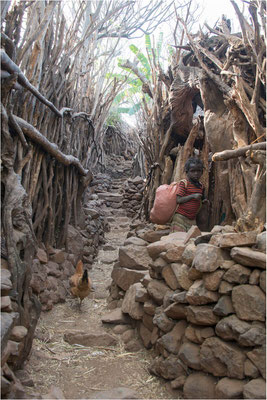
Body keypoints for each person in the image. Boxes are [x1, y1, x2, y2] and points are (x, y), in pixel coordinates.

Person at [171, 157, 209, 232]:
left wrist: (205, 201)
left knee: (191, 240)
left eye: (199, 171)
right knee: (178, 239)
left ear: (202, 172)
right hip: (180, 218)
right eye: (193, 171)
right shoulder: (184, 184)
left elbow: (201, 200)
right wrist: (193, 196)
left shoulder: (201, 186)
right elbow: (179, 200)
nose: (196, 173)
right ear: (187, 172)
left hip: (192, 219)